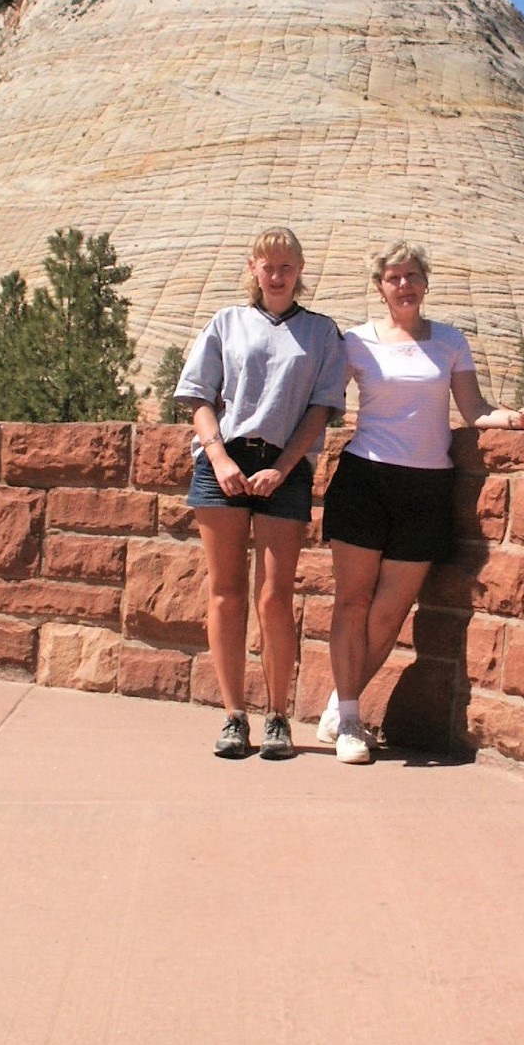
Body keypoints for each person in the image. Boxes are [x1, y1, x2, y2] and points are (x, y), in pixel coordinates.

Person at [320, 241, 524, 764]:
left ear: (426, 283)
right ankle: (352, 721)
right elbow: (323, 402)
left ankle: (340, 699)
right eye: (394, 277)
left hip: (427, 486)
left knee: (392, 608)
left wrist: (516, 419)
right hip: (365, 479)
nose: (404, 285)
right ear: (380, 286)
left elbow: (473, 409)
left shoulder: (448, 342)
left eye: (412, 275)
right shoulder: (356, 342)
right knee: (353, 603)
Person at [174, 228, 346, 760]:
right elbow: (199, 395)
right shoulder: (227, 322)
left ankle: (276, 716)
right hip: (222, 463)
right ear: (253, 268)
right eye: (268, 265)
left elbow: (321, 408)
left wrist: (283, 466)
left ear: (300, 271)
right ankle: (232, 716)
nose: (277, 274)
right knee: (225, 591)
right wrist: (219, 456)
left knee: (274, 596)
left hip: (285, 466)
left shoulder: (320, 333)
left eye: (287, 266)